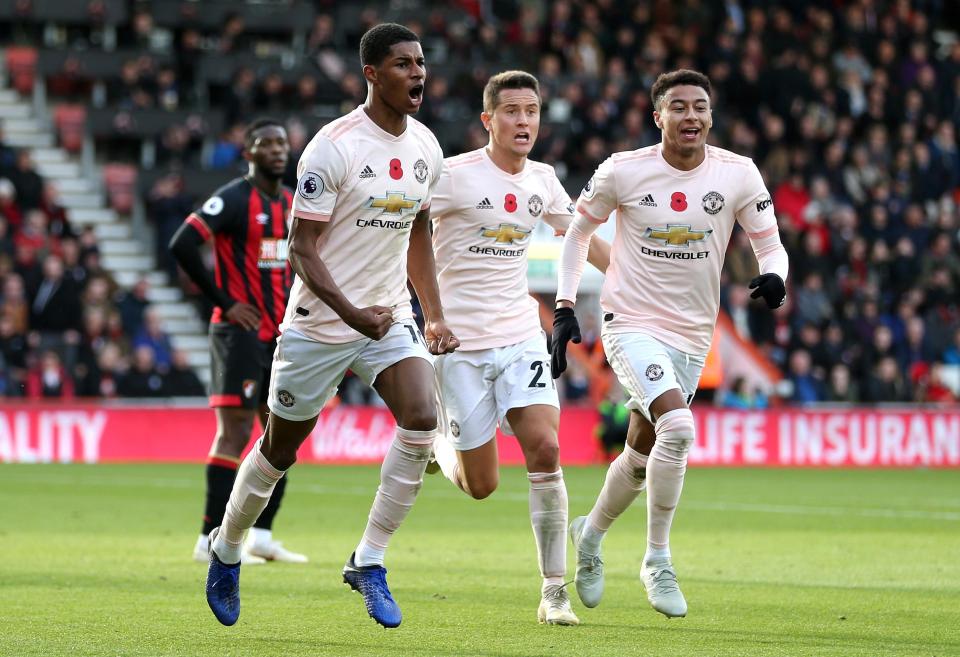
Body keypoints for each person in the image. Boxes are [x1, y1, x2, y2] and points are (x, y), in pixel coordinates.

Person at [204, 23, 457, 630]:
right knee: (277, 449)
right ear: (371, 73)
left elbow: (419, 232)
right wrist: (350, 315)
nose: (417, 74)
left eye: (420, 63)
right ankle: (226, 548)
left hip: (388, 313)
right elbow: (301, 249)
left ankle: (368, 561)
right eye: (402, 64)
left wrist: (434, 312)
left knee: (423, 417)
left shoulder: (426, 146)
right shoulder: (334, 147)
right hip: (321, 321)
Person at [552, 69, 788, 619]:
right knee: (679, 428)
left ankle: (589, 535)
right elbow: (577, 233)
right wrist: (564, 306)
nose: (691, 116)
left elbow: (770, 245)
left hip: (691, 332)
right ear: (657, 116)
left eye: (700, 106)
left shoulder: (738, 173)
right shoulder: (624, 169)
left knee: (639, 453)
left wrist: (775, 275)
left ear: (711, 115)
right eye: (678, 106)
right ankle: (657, 559)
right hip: (629, 320)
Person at [428, 70, 609, 626]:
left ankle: (553, 591)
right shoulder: (450, 177)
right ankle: (437, 443)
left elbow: (579, 236)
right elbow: (401, 231)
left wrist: (633, 277)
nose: (524, 121)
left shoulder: (544, 179)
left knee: (546, 450)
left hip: (518, 335)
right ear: (489, 120)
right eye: (511, 111)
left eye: (531, 111)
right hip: (457, 344)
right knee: (482, 486)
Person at [169, 118, 307, 566]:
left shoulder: (291, 202)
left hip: (282, 335)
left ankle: (262, 536)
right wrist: (226, 301)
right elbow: (182, 244)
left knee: (281, 435)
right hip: (240, 333)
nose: (276, 150)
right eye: (265, 143)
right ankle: (208, 538)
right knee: (233, 434)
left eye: (281, 142)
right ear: (248, 153)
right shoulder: (231, 198)